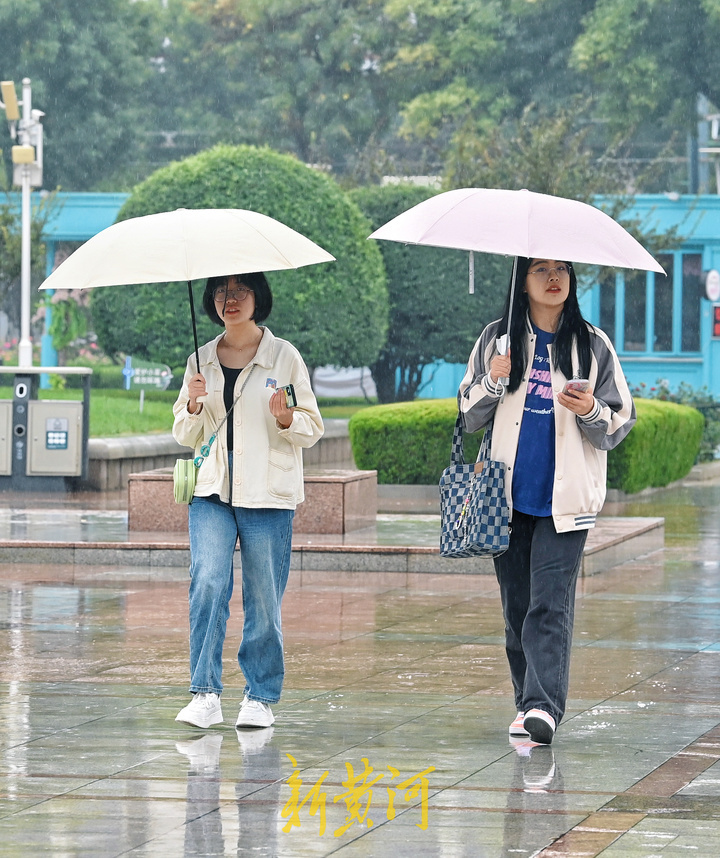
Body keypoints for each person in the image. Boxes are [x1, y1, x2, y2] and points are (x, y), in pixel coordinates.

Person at [458, 257, 635, 745]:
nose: (554, 278)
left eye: (562, 269)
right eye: (541, 269)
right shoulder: (497, 338)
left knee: (549, 605)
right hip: (506, 499)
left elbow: (620, 421)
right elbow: (467, 413)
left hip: (566, 501)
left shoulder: (592, 344)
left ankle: (543, 707)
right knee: (517, 608)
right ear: (522, 280)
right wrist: (494, 380)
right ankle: (525, 703)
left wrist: (591, 409)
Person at [173, 272, 323, 730]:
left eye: (240, 291)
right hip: (213, 488)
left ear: (259, 298)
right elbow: (183, 432)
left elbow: (311, 427)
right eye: (221, 292)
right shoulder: (200, 359)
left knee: (263, 594)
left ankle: (259, 696)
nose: (229, 300)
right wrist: (194, 406)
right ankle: (205, 692)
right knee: (209, 582)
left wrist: (284, 421)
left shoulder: (284, 356)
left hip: (267, 491)